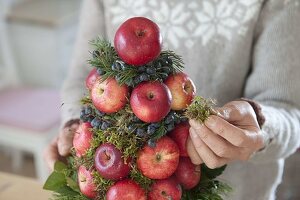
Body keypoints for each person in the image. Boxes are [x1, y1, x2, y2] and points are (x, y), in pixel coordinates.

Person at [44, 0, 300, 199]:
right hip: (124, 187)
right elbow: (82, 77)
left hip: (238, 193)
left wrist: (259, 128)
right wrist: (76, 128)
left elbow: (289, 112)